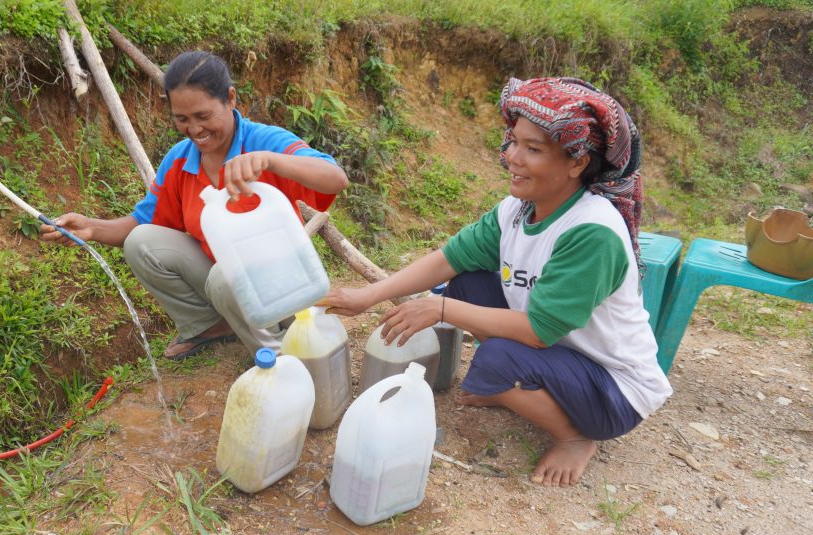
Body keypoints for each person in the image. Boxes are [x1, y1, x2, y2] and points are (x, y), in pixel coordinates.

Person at [321, 77, 672, 487]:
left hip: (611, 388)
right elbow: (450, 258)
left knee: (494, 359)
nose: (512, 157)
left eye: (533, 149)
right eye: (513, 142)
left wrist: (440, 308)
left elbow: (540, 332)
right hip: (562, 349)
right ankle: (524, 388)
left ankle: (574, 436)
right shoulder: (519, 209)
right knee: (467, 282)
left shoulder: (591, 232)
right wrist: (368, 295)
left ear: (577, 163)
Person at [42, 51, 349, 360]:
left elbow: (335, 179)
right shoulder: (180, 159)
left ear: (230, 99)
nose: (195, 130)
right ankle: (210, 326)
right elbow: (142, 223)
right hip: (223, 282)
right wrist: (92, 227)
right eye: (182, 119)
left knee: (225, 276)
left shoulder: (265, 141)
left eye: (203, 116)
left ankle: (280, 353)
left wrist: (270, 161)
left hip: (285, 285)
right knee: (142, 242)